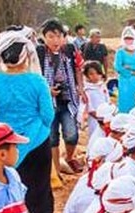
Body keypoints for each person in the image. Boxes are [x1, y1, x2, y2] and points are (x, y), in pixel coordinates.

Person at [0, 28, 57, 213]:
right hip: (37, 140)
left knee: (8, 187)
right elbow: (48, 115)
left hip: (6, 143)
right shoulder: (37, 81)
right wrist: (36, 129)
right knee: (40, 187)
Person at [38, 19, 86, 176]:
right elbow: (35, 77)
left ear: (64, 37)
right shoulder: (39, 53)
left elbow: (79, 69)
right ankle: (56, 170)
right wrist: (47, 90)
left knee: (71, 134)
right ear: (44, 37)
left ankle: (69, 157)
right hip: (48, 101)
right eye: (51, 36)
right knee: (52, 137)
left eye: (58, 36)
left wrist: (80, 87)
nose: (55, 40)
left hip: (68, 98)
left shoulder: (70, 50)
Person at [113, 27, 135, 114]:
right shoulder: (120, 52)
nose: (128, 40)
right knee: (125, 100)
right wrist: (132, 72)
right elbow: (118, 67)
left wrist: (129, 67)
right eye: (126, 38)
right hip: (125, 81)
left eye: (130, 38)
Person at [82, 61, 109, 138]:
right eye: (91, 74)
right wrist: (98, 116)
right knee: (95, 135)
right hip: (94, 118)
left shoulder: (102, 86)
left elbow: (107, 100)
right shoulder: (87, 89)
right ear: (87, 75)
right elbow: (89, 107)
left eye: (97, 73)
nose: (95, 76)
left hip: (106, 116)